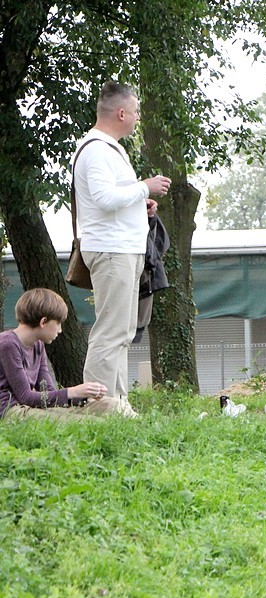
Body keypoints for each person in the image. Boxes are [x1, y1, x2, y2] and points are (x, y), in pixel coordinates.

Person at [73, 81, 171, 406]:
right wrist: (145, 187)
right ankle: (100, 404)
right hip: (113, 251)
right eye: (136, 111)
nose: (138, 117)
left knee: (123, 332)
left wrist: (140, 205)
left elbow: (112, 199)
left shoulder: (109, 148)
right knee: (111, 331)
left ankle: (118, 404)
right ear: (121, 113)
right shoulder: (98, 149)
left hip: (123, 249)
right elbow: (103, 198)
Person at [1, 289, 135, 420]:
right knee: (92, 422)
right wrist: (73, 392)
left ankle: (139, 423)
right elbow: (26, 397)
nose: (60, 330)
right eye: (58, 323)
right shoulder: (8, 344)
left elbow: (47, 391)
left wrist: (83, 396)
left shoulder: (38, 344)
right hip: (11, 410)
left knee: (114, 406)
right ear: (43, 322)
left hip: (33, 406)